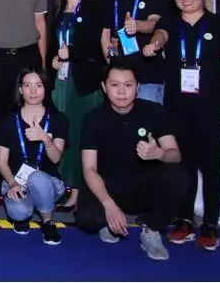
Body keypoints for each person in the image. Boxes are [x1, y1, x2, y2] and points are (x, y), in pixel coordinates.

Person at [143, 0, 220, 251]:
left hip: (211, 106)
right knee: (182, 165)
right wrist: (156, 43)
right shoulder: (170, 23)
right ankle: (184, 219)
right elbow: (160, 34)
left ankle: (210, 224)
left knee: (211, 166)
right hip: (176, 107)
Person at [75, 65, 187, 261]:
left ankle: (151, 228)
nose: (121, 91)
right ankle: (108, 222)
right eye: (114, 85)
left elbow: (175, 155)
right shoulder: (93, 118)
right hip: (109, 184)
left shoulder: (154, 111)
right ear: (104, 87)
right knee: (87, 219)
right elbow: (89, 169)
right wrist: (108, 204)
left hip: (142, 184)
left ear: (138, 87)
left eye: (128, 85)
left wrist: (159, 153)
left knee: (179, 177)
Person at [47, 0, 104, 208]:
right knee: (64, 133)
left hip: (84, 82)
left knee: (82, 135)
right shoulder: (58, 10)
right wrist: (53, 59)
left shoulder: (92, 9)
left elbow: (95, 44)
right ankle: (67, 186)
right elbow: (54, 44)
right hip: (62, 81)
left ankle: (81, 191)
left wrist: (72, 52)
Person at [0, 68, 68, 245]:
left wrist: (45, 138)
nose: (33, 90)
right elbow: (2, 162)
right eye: (27, 86)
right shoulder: (8, 120)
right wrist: (12, 183)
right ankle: (25, 212)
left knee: (37, 178)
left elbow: (56, 158)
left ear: (46, 88)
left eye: (38, 85)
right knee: (19, 212)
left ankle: (48, 222)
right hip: (16, 181)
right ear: (20, 89)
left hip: (49, 183)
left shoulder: (58, 119)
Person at [100, 0, 166, 104]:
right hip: (118, 78)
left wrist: (137, 25)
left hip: (148, 76)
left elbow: (156, 23)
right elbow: (105, 34)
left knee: (148, 120)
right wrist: (112, 64)